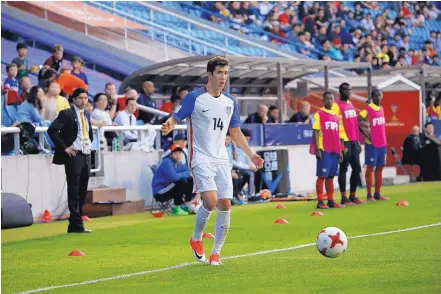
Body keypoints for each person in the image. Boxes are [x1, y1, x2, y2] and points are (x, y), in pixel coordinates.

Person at [161, 56, 264, 266]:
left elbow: (235, 132)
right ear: (209, 74)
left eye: (226, 73)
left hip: (221, 158)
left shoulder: (230, 102)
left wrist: (251, 154)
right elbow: (176, 117)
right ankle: (196, 239)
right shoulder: (194, 97)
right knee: (210, 200)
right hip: (200, 157)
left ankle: (216, 253)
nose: (223, 77)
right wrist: (169, 125)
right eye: (219, 73)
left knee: (225, 204)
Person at [47, 88, 93, 233]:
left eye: (86, 98)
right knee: (73, 189)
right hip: (74, 155)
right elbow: (52, 130)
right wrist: (65, 148)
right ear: (74, 99)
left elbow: (88, 133)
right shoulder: (66, 114)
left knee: (82, 190)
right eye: (81, 98)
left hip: (86, 154)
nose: (84, 101)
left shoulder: (86, 113)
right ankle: (77, 223)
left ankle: (74, 223)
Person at [333, 83, 365, 205]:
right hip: (343, 141)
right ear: (340, 92)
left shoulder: (350, 104)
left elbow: (353, 124)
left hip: (353, 141)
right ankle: (343, 198)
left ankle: (353, 196)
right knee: (343, 168)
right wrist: (339, 144)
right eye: (347, 90)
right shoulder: (336, 105)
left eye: (350, 90)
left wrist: (357, 141)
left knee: (357, 168)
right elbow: (334, 125)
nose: (349, 92)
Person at [311, 91, 345, 209]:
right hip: (324, 149)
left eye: (331, 99)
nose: (329, 101)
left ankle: (330, 201)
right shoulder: (318, 114)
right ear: (323, 101)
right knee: (322, 176)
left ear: (334, 100)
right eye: (327, 99)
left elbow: (337, 135)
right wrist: (317, 149)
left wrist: (340, 150)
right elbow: (315, 131)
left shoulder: (336, 116)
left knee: (331, 176)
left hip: (334, 150)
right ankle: (320, 202)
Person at [358, 88, 389, 201]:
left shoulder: (382, 109)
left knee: (380, 168)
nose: (378, 98)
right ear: (372, 97)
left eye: (380, 95)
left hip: (382, 143)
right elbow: (358, 120)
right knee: (370, 168)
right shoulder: (367, 109)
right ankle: (369, 194)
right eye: (376, 96)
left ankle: (377, 193)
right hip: (371, 144)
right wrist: (367, 133)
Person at [152, 144, 194, 216]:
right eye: (175, 153)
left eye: (180, 153)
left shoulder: (179, 164)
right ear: (171, 155)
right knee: (181, 181)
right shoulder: (167, 162)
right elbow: (174, 177)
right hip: (160, 192)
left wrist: (185, 174)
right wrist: (185, 174)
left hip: (169, 189)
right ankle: (176, 208)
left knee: (189, 179)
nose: (178, 155)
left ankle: (186, 205)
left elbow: (190, 172)